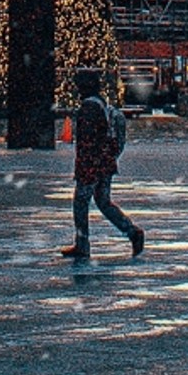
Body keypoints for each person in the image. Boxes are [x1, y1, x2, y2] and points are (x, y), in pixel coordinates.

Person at [61, 65, 144, 263]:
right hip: (105, 162)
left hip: (92, 164)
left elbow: (88, 141)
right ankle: (131, 231)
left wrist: (85, 167)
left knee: (81, 202)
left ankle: (83, 244)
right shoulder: (100, 103)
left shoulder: (89, 107)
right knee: (103, 201)